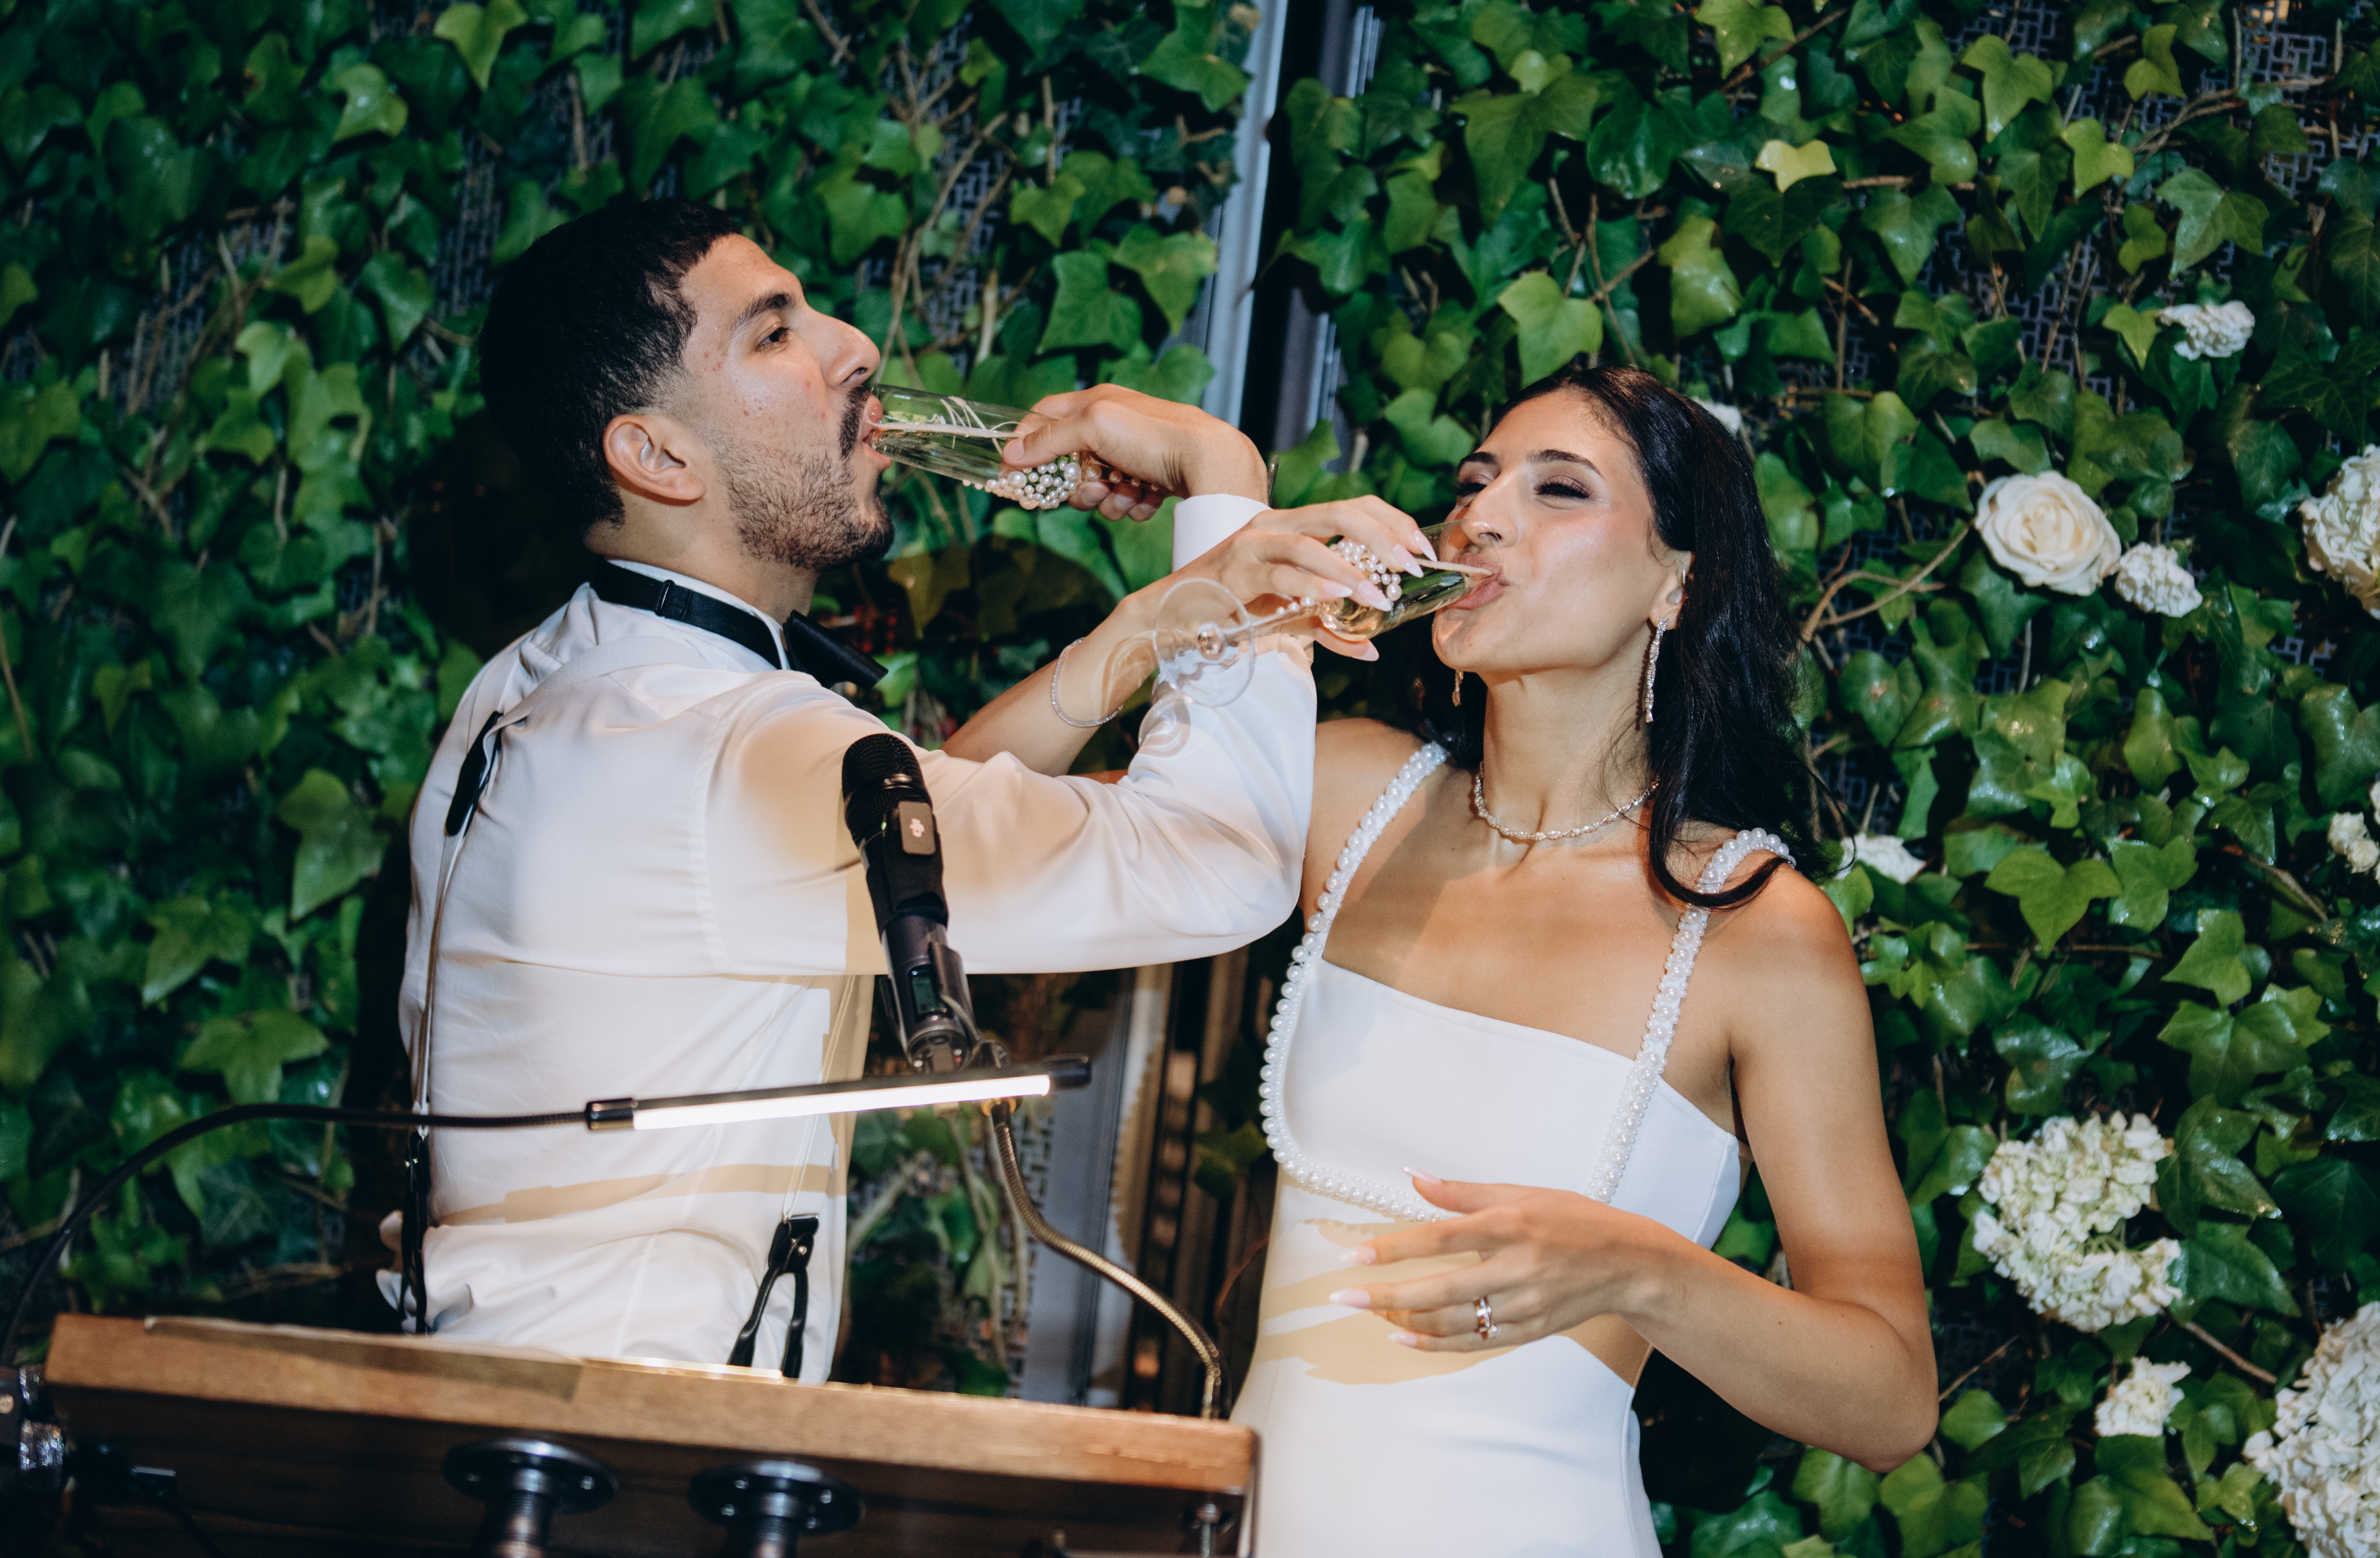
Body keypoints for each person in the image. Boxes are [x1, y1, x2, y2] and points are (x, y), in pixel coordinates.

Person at [390, 198, 1430, 1381]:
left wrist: (1152, 627)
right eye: (774, 334)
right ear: (658, 456)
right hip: (629, 1435)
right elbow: (1222, 866)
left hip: (511, 1399)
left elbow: (913, 834)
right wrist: (1223, 477)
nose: (854, 347)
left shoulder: (548, 685)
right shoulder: (724, 752)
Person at [955, 366, 1935, 1553]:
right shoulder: (1349, 797)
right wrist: (1172, 603)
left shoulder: (1752, 926)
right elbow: (956, 854)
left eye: (1558, 490)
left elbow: (1890, 1401)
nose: (1480, 518)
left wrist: (1639, 1273)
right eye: (1473, 484)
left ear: (1676, 584)